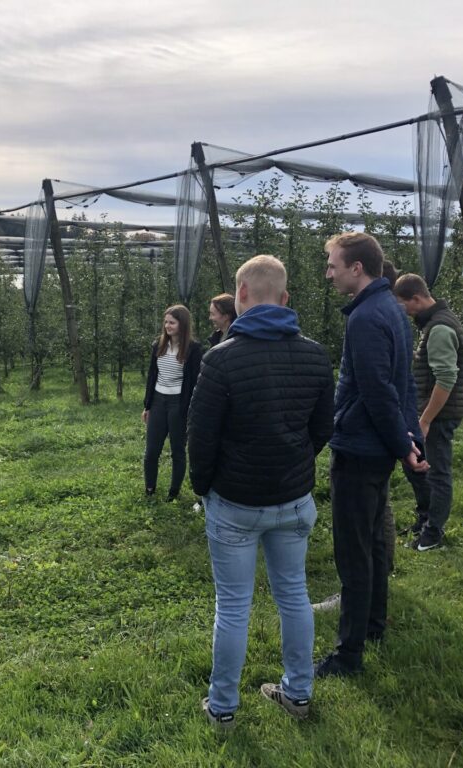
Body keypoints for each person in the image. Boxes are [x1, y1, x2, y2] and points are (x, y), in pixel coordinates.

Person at [188, 255, 334, 728]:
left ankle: (224, 708)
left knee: (233, 605)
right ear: (286, 298)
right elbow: (322, 428)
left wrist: (204, 487)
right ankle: (298, 693)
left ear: (241, 297)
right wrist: (294, 462)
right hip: (293, 500)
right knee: (293, 594)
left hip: (235, 502)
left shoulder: (221, 359)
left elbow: (201, 437)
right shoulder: (315, 355)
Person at [316, 233, 426, 678]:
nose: (329, 272)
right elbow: (405, 386)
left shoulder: (364, 317)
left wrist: (404, 445)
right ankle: (374, 627)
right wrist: (410, 438)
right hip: (378, 446)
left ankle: (348, 654)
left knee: (354, 552)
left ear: (356, 268)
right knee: (375, 546)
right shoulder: (394, 312)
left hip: (361, 448)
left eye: (332, 264)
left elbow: (381, 392)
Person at [393, 273, 463, 551]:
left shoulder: (439, 329)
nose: (406, 313)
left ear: (417, 298)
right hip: (432, 412)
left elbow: (446, 378)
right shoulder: (436, 324)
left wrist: (425, 420)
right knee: (419, 467)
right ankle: (426, 519)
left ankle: (433, 533)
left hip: (439, 414)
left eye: (405, 306)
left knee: (437, 472)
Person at [142, 305, 203, 501]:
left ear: (182, 324)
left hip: (179, 403)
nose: (167, 326)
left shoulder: (193, 349)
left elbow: (195, 382)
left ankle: (173, 493)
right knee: (151, 450)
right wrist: (148, 405)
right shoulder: (158, 345)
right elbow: (152, 376)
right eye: (166, 322)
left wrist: (190, 410)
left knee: (177, 450)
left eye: (172, 322)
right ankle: (150, 488)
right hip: (159, 401)